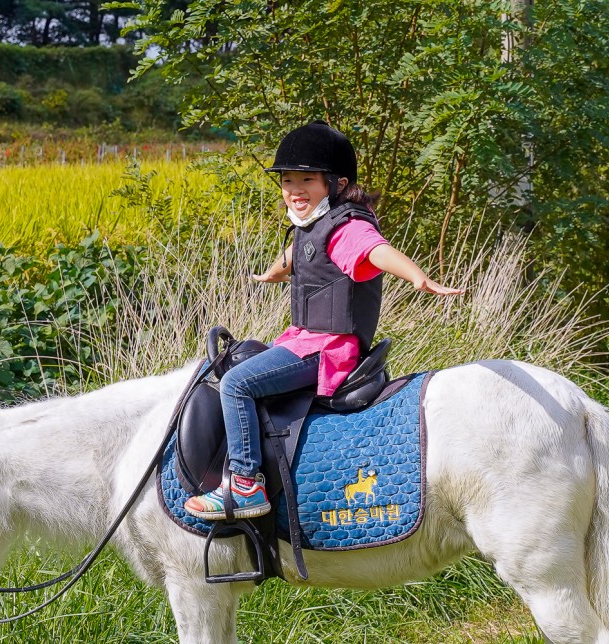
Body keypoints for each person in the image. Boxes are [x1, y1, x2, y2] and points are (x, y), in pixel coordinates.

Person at [184, 120, 464, 521]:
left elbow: (376, 251)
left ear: (336, 182)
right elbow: (298, 258)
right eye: (287, 180)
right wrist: (270, 273)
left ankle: (246, 484)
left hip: (327, 350)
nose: (294, 190)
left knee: (236, 383)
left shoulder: (347, 228)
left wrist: (418, 276)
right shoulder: (314, 223)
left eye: (307, 179)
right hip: (304, 340)